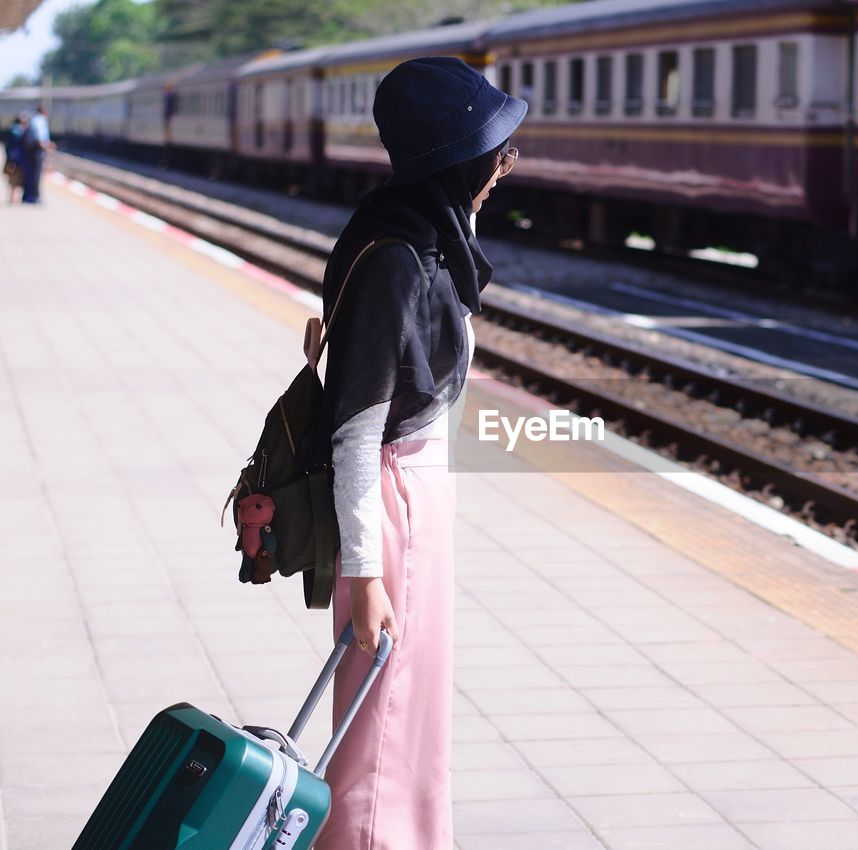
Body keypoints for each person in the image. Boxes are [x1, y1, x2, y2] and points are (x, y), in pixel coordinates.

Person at [313, 57, 525, 850]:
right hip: (393, 504)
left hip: (415, 496)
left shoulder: (421, 240)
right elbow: (356, 431)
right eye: (497, 151)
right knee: (384, 722)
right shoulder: (399, 260)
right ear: (457, 156)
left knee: (409, 720)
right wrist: (365, 577)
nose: (507, 167)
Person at [22, 104, 54, 204]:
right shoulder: (40, 121)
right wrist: (46, 147)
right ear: (44, 112)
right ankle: (34, 197)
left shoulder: (33, 119)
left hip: (32, 150)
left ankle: (29, 195)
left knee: (31, 173)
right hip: (37, 150)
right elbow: (40, 137)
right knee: (36, 174)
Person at [4, 115, 25, 205]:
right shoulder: (18, 131)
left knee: (12, 179)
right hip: (16, 159)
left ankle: (12, 198)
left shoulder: (11, 130)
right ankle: (13, 198)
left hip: (11, 158)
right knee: (15, 179)